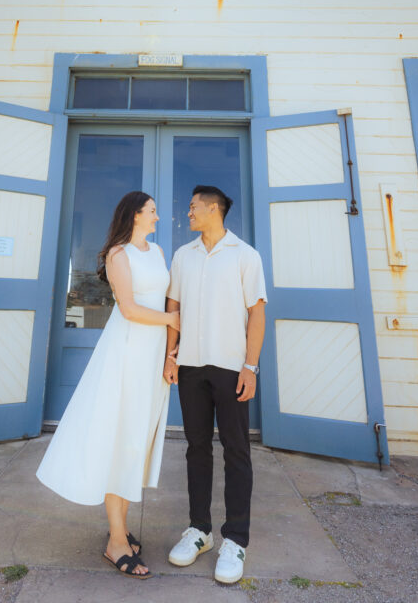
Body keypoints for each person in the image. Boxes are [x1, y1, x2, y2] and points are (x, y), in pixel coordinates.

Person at [36, 190, 180, 580]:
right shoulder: (119, 255)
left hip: (153, 358)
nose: (157, 217)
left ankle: (121, 528)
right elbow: (130, 309)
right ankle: (116, 540)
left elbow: (169, 301)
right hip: (127, 354)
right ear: (134, 215)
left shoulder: (159, 252)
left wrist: (170, 354)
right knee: (123, 440)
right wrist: (171, 323)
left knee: (136, 442)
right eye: (151, 211)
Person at [163, 185, 267, 585]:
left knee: (237, 451)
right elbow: (173, 309)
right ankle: (200, 530)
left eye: (192, 207)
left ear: (213, 209)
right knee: (196, 448)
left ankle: (236, 539)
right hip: (190, 367)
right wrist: (171, 357)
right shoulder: (182, 256)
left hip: (230, 368)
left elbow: (256, 313)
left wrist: (250, 367)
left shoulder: (245, 255)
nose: (187, 213)